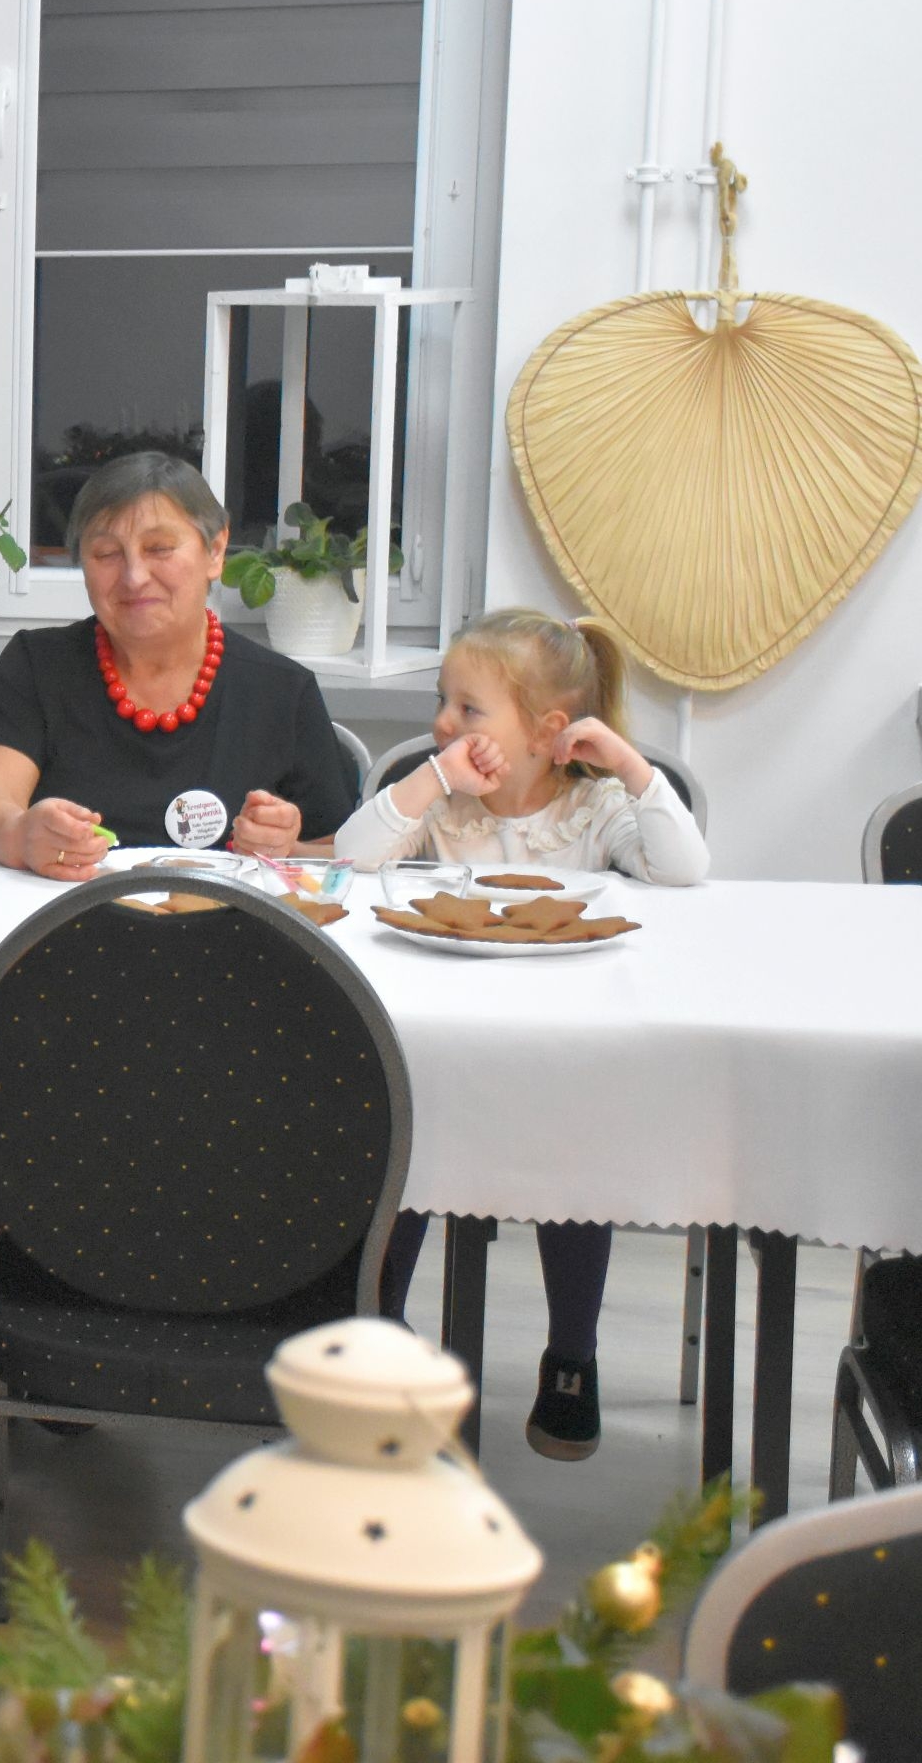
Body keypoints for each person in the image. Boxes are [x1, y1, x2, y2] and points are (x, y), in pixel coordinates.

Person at [345, 607, 709, 1462]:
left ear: (549, 732)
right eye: (443, 701)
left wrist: (629, 764)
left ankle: (572, 1353)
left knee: (576, 1170)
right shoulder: (445, 808)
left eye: (468, 709)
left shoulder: (595, 810)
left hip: (561, 1064)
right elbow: (354, 857)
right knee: (402, 1143)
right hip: (443, 1058)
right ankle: (383, 1328)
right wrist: (431, 778)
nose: (444, 723)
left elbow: (684, 869)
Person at [0, 452, 357, 873]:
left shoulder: (283, 691)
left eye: (159, 549)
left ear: (215, 550)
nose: (134, 577)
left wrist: (287, 848)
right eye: (106, 553)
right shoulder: (38, 666)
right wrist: (21, 836)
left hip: (230, 914)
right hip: (70, 907)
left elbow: (338, 855)